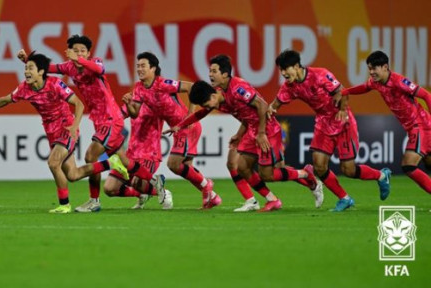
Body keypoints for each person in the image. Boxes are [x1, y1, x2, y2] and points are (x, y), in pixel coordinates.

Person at [0, 51, 128, 214]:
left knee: (53, 163)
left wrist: (74, 126)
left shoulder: (55, 84)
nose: (26, 72)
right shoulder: (24, 88)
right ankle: (110, 163)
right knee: (73, 175)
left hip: (66, 127)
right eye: (26, 68)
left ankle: (64, 205)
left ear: (41, 71)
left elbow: (79, 104)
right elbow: (5, 100)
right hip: (51, 133)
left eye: (30, 68)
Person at [17, 35, 155, 213]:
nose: (79, 53)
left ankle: (95, 200)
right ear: (69, 52)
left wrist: (79, 59)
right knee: (122, 161)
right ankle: (155, 186)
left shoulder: (95, 62)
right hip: (99, 120)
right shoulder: (69, 67)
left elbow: (99, 69)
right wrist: (27, 60)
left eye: (83, 51)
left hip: (111, 117)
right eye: (75, 50)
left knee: (90, 156)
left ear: (89, 53)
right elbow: (45, 69)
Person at [170, 55, 322, 212]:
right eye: (210, 71)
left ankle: (306, 173)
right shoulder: (220, 93)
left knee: (268, 174)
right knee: (241, 167)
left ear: (225, 74)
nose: (210, 75)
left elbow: (262, 106)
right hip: (251, 130)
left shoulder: (238, 88)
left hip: (267, 130)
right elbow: (206, 113)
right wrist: (180, 126)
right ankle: (271, 200)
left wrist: (261, 133)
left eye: (214, 71)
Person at [269, 49, 391, 212]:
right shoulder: (289, 87)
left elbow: (342, 91)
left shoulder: (320, 75)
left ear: (297, 66)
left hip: (342, 122)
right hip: (323, 123)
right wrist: (267, 112)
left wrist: (342, 110)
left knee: (348, 170)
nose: (283, 73)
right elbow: (275, 105)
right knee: (319, 166)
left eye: (286, 69)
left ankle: (381, 176)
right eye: (281, 70)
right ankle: (344, 198)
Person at [123, 52, 219, 209]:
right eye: (138, 66)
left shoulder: (163, 84)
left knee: (174, 164)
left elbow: (191, 87)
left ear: (153, 68)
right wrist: (128, 104)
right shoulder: (139, 88)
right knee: (186, 168)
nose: (139, 69)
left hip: (187, 126)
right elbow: (135, 113)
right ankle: (212, 197)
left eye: (143, 66)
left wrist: (190, 114)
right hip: (177, 128)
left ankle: (206, 184)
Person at [342, 50, 431, 195]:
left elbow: (426, 95)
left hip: (421, 126)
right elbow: (365, 87)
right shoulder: (376, 82)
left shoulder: (399, 81)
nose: (371, 72)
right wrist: (346, 91)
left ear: (385, 67)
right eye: (369, 69)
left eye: (374, 68)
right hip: (414, 128)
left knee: (409, 165)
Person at [103, 103, 173, 210]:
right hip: (130, 155)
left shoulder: (156, 101)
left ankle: (163, 192)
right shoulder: (133, 101)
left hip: (149, 154)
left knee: (137, 182)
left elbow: (171, 112)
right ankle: (142, 194)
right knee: (109, 188)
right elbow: (118, 116)